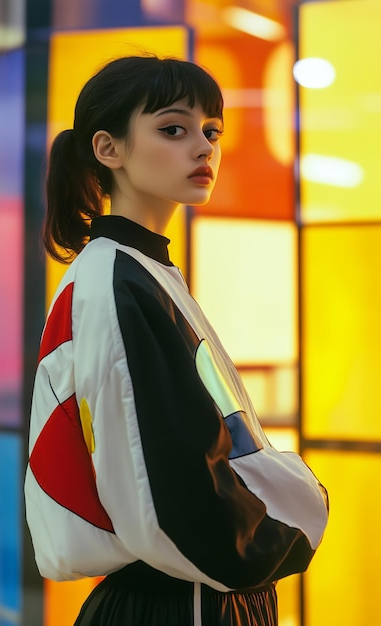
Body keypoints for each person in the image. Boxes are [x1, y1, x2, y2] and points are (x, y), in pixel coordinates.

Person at [25, 55, 328, 626]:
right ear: (107, 149)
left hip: (195, 591)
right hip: (179, 600)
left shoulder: (142, 271)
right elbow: (162, 494)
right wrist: (289, 525)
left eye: (211, 131)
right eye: (173, 129)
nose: (203, 147)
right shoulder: (115, 278)